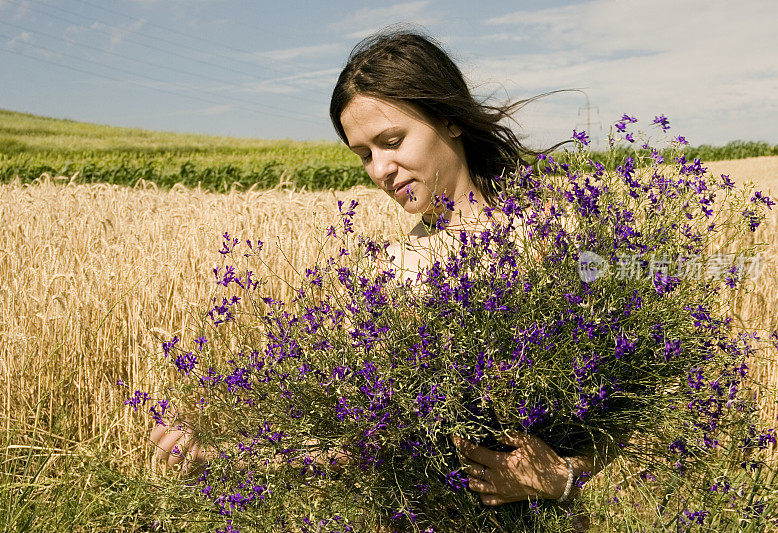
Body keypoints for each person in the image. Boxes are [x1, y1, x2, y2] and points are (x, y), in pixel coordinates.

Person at [151, 27, 604, 518]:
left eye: (392, 141)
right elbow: (356, 446)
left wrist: (559, 479)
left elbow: (628, 397)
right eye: (365, 154)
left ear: (449, 119)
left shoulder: (550, 237)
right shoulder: (385, 272)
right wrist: (223, 458)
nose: (381, 169)